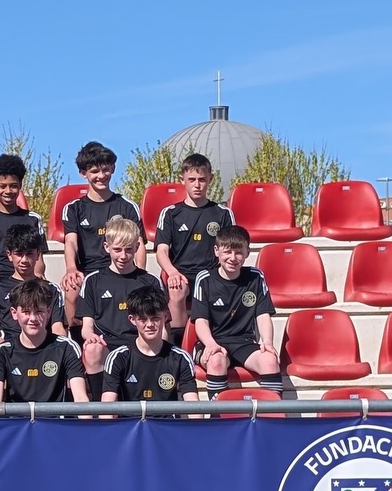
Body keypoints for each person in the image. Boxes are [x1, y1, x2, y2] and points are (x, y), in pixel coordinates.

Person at [190, 224, 282, 398]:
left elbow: (263, 315)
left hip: (244, 342)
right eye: (227, 252)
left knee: (270, 360)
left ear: (247, 253)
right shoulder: (205, 279)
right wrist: (210, 344)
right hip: (213, 341)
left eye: (238, 252)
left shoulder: (256, 277)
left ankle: (274, 417)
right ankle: (218, 418)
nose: (233, 258)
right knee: (216, 360)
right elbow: (201, 320)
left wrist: (268, 342)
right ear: (216, 251)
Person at [59, 140, 145, 327]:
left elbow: (139, 245)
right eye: (95, 172)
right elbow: (71, 243)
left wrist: (139, 272)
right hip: (89, 271)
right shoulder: (74, 209)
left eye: (105, 170)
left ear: (113, 169)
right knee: (72, 290)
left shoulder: (127, 206)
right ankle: (77, 344)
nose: (101, 176)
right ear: (84, 174)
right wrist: (71, 269)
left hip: (122, 268)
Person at [154, 152, 235, 348]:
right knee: (177, 287)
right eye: (192, 180)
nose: (197, 185)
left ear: (210, 179)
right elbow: (161, 251)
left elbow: (230, 248)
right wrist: (172, 272)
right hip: (181, 272)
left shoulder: (223, 213)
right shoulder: (171, 213)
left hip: (212, 274)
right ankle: (178, 346)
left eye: (202, 179)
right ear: (182, 180)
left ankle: (221, 341)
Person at [74, 216, 163, 392]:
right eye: (117, 249)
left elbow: (162, 326)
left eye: (129, 250)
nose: (123, 256)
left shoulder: (150, 281)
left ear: (137, 248)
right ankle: (101, 405)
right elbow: (86, 327)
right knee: (92, 349)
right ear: (107, 248)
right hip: (107, 344)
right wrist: (90, 337)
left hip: (140, 343)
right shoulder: (93, 281)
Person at [0, 279, 88, 405]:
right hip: (18, 423)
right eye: (26, 312)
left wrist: (86, 421)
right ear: (14, 313)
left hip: (56, 422)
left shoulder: (67, 348)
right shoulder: (2, 352)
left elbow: (81, 399)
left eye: (39, 311)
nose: (33, 318)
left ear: (49, 311)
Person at [101, 284, 200, 410]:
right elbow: (107, 411)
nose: (149, 325)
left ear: (165, 316)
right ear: (132, 319)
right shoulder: (118, 358)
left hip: (167, 426)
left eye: (155, 319)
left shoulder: (181, 358)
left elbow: (194, 409)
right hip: (130, 426)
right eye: (143, 319)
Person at [0, 153, 47, 297]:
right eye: (2, 186)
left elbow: (39, 260)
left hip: (26, 277)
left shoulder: (33, 219)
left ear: (20, 185)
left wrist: (37, 273)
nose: (8, 191)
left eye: (13, 186)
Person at [0, 224, 65, 351]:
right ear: (9, 255)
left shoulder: (51, 289)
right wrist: (2, 345)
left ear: (38, 254)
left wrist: (59, 349)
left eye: (30, 254)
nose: (24, 260)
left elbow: (57, 327)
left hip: (44, 350)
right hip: (9, 349)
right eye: (19, 254)